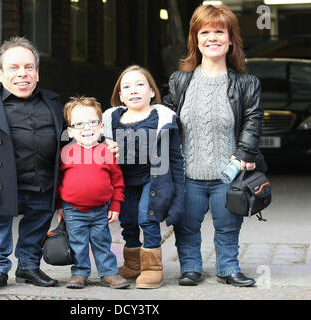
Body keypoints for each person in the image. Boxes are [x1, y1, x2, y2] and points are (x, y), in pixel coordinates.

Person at [163, 4, 268, 287]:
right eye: (205, 31)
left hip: (229, 172)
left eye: (219, 31)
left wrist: (244, 154)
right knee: (186, 227)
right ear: (196, 39)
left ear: (230, 39)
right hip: (187, 174)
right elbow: (164, 119)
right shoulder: (180, 81)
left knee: (228, 226)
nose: (212, 37)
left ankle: (228, 268)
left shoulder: (247, 83)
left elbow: (253, 120)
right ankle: (190, 269)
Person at [0, 37, 63, 292]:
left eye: (29, 67)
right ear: (0, 74)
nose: (23, 74)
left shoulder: (53, 102)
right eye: (14, 68)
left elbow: (71, 138)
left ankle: (28, 266)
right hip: (0, 185)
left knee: (37, 224)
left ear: (37, 73)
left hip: (42, 182)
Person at [103, 65, 185, 289]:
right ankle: (133, 264)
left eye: (140, 84)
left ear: (151, 91)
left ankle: (152, 269)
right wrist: (104, 145)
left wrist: (179, 191)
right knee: (127, 220)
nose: (133, 90)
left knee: (146, 217)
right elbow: (91, 146)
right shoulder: (110, 120)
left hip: (154, 178)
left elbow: (175, 158)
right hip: (124, 181)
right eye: (126, 87)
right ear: (120, 95)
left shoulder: (163, 118)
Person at [56, 96, 130, 290]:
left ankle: (108, 273)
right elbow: (57, 182)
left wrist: (115, 204)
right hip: (73, 209)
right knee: (77, 243)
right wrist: (59, 206)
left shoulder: (106, 152)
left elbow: (117, 181)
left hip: (101, 209)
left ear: (101, 127)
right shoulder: (65, 153)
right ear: (70, 131)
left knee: (102, 242)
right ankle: (80, 273)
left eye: (92, 123)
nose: (86, 128)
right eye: (79, 124)